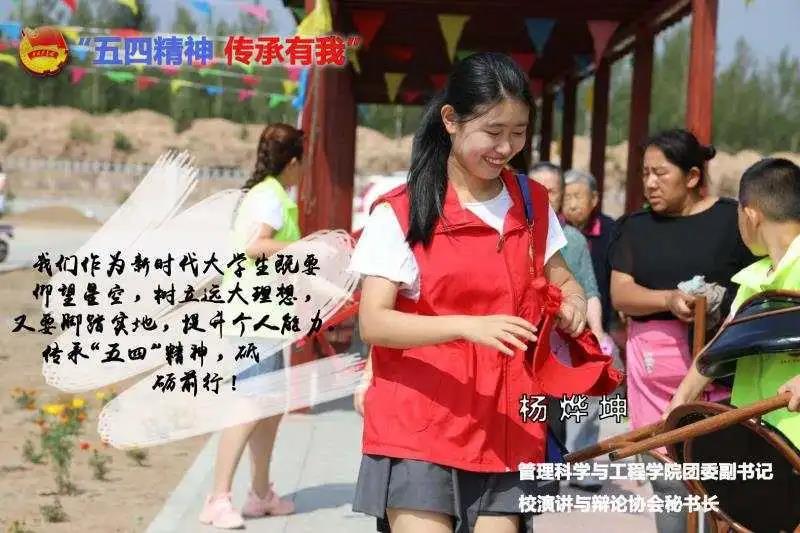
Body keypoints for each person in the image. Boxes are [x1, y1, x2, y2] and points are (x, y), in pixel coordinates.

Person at [349, 52, 620, 533]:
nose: (506, 147)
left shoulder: (532, 202)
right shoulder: (401, 211)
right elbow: (374, 321)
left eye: (518, 133)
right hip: (418, 422)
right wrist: (469, 326)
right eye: (493, 132)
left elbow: (564, 280)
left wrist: (574, 305)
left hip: (507, 423)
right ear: (450, 120)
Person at [609, 128, 755, 533]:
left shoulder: (732, 221)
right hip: (653, 379)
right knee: (670, 486)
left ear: (692, 176)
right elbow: (621, 293)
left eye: (660, 173)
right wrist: (668, 299)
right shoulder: (635, 227)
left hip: (720, 372)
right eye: (645, 173)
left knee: (724, 490)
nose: (650, 183)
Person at [199, 124, 300, 529]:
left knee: (268, 408)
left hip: (266, 317)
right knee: (248, 405)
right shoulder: (270, 197)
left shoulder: (267, 194)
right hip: (256, 317)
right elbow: (257, 246)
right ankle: (217, 498)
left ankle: (260, 494)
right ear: (293, 162)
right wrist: (306, 249)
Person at [668, 158, 800, 447]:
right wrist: (679, 403)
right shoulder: (753, 280)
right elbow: (719, 347)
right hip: (759, 435)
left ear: (750, 215)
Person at [531, 162, 615, 493]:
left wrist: (597, 333)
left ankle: (566, 470)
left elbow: (589, 290)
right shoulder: (509, 233)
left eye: (552, 191)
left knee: (564, 408)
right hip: (521, 338)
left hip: (560, 339)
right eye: (537, 188)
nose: (544, 196)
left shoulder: (573, 240)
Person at [562, 169, 617, 332]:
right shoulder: (555, 230)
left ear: (594, 199)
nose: (572, 205)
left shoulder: (611, 230)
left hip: (602, 319)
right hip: (565, 320)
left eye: (578, 197)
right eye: (567, 197)